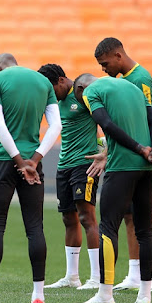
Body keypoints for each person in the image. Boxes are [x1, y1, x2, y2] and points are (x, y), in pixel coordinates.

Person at [0, 54, 61, 303]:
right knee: (35, 228)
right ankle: (39, 296)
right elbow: (56, 127)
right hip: (33, 162)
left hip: (4, 160)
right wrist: (34, 160)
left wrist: (18, 161)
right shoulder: (43, 82)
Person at [71, 73, 152, 303]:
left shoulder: (91, 92)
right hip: (147, 168)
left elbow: (108, 125)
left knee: (108, 228)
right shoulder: (133, 87)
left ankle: (105, 296)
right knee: (144, 230)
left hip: (122, 167)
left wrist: (139, 148)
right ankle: (145, 296)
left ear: (81, 88)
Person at [92, 37, 152, 292]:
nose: (104, 69)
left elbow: (148, 119)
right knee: (129, 216)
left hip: (138, 157)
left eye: (105, 63)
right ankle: (135, 273)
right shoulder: (123, 81)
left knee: (146, 217)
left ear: (118, 55)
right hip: (129, 153)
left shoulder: (140, 79)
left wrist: (151, 149)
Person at [37, 64, 101, 290]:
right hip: (64, 165)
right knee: (68, 219)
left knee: (87, 217)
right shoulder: (54, 102)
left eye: (52, 88)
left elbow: (106, 121)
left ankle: (96, 277)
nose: (50, 93)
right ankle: (72, 276)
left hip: (84, 165)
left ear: (62, 80)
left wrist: (104, 151)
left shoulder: (82, 94)